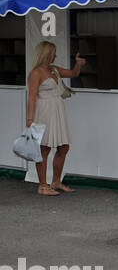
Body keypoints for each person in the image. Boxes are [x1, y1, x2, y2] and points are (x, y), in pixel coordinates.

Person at [25, 40, 84, 195]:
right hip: (43, 112)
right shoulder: (36, 73)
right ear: (46, 54)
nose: (55, 55)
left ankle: (56, 182)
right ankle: (43, 185)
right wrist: (29, 119)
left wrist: (78, 64)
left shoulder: (54, 70)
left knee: (64, 147)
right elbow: (31, 97)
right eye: (53, 53)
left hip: (57, 111)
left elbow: (73, 73)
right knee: (44, 149)